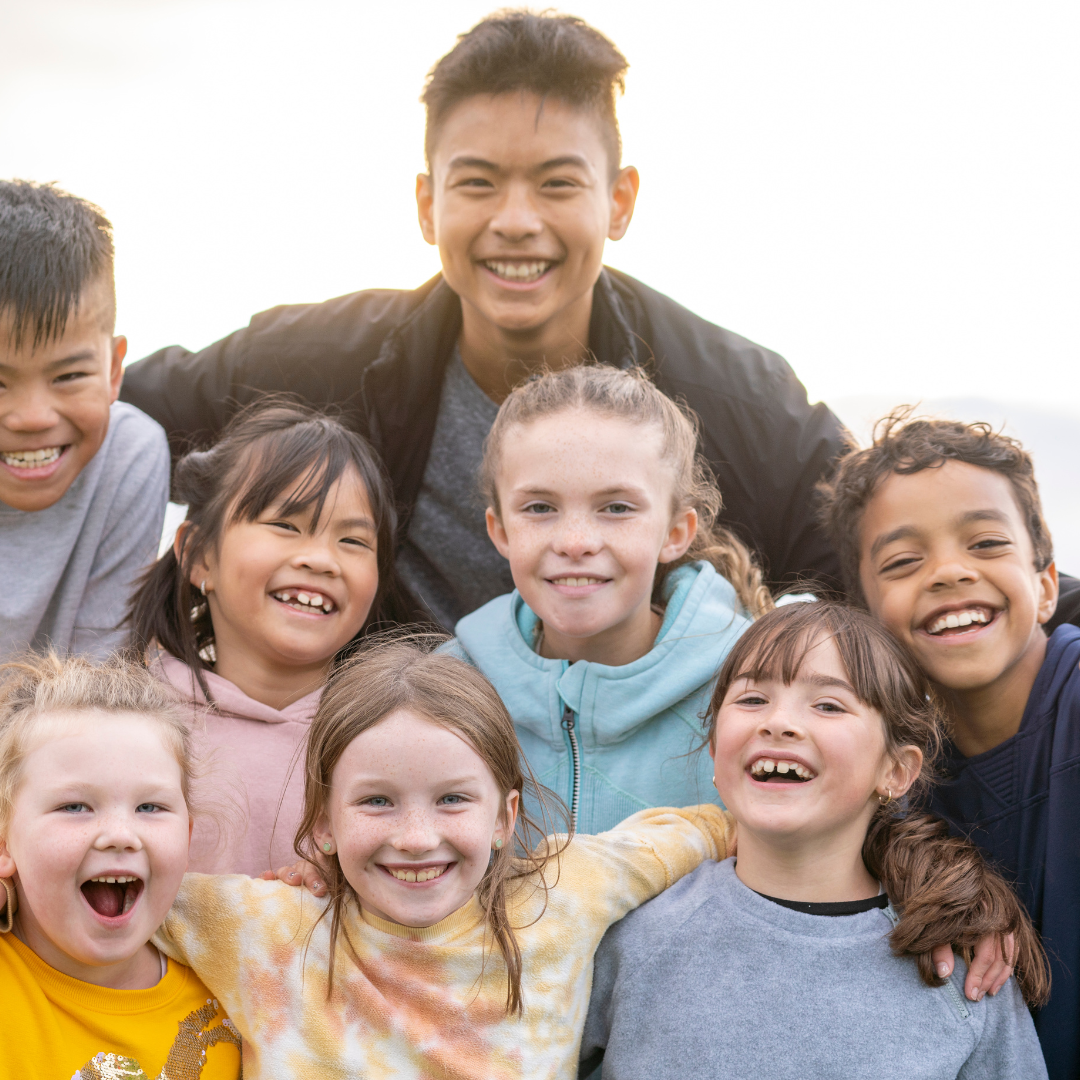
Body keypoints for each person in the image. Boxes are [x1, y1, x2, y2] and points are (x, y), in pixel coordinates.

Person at [119, 9, 847, 630]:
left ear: (619, 201)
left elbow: (872, 553)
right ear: (427, 204)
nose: (517, 221)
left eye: (558, 183)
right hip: (391, 776)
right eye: (478, 183)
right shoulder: (314, 365)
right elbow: (99, 412)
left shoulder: (734, 396)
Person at [148, 637, 735, 1078]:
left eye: (452, 799)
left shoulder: (566, 891)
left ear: (504, 818)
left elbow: (713, 828)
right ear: (324, 821)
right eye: (377, 801)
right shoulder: (264, 928)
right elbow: (110, 888)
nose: (416, 837)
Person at [581, 601, 1049, 1080]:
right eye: (752, 699)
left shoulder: (962, 963)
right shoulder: (633, 941)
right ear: (714, 750)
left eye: (828, 705)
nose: (778, 722)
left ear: (896, 770)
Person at [817, 412, 1080, 1078]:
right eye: (905, 562)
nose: (949, 572)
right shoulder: (897, 787)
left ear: (1047, 585)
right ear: (868, 624)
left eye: (987, 543)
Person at [445, 365, 767, 833]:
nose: (575, 542)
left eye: (616, 508)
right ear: (500, 531)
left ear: (676, 532)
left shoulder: (752, 691)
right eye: (540, 508)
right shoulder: (446, 690)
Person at [128, 400, 406, 877]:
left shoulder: (398, 733)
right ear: (198, 556)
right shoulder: (126, 724)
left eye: (354, 541)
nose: (321, 559)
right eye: (285, 525)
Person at [0, 652, 241, 1079]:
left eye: (150, 806)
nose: (120, 834)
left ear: (186, 837)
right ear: (4, 844)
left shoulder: (239, 985)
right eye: (74, 806)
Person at [0, 180, 169, 659]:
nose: (32, 418)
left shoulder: (128, 456)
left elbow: (95, 688)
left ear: (115, 370)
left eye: (69, 375)